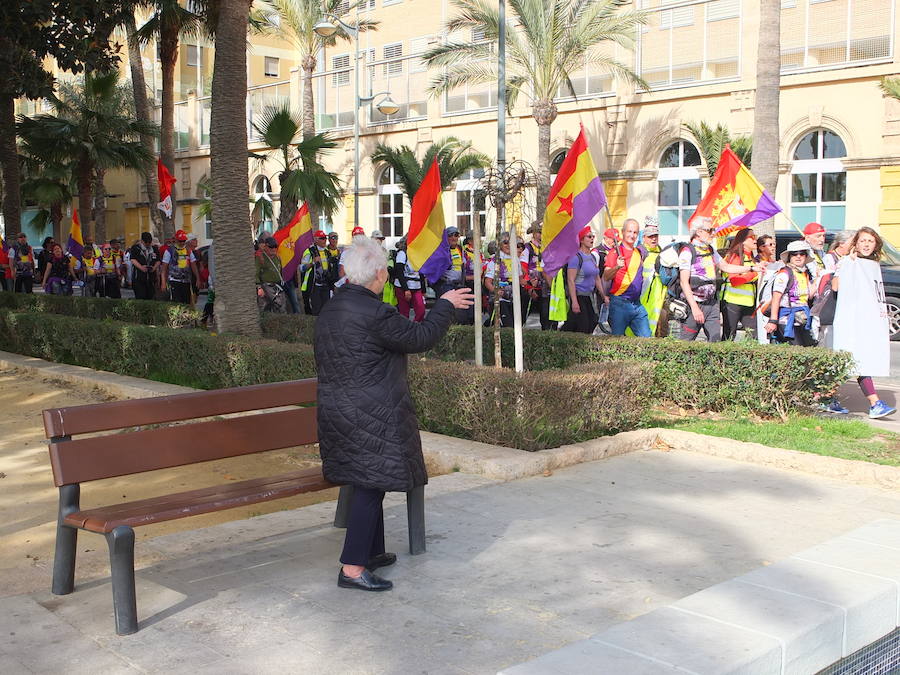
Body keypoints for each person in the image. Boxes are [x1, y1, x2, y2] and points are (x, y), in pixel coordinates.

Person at [314, 236, 473, 592]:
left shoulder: (333, 307)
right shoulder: (375, 313)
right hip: (369, 412)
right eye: (384, 269)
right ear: (379, 276)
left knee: (368, 479)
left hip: (338, 410)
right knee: (371, 484)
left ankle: (371, 552)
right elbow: (420, 337)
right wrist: (445, 305)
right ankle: (353, 568)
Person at [832, 227, 896, 419]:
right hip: (853, 321)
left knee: (856, 362)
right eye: (863, 241)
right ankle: (874, 403)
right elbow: (836, 286)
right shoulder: (849, 262)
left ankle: (825, 397)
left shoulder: (872, 265)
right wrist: (845, 266)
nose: (867, 244)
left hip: (868, 322)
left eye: (871, 241)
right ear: (856, 244)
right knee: (854, 361)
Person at [678, 217, 762, 342]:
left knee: (716, 342)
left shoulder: (710, 249)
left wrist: (752, 268)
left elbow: (726, 266)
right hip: (694, 304)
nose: (713, 233)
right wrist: (695, 308)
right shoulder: (687, 251)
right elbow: (684, 282)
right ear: (699, 232)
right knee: (685, 343)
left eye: (713, 230)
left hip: (712, 303)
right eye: (709, 230)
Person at [603, 218, 650, 337]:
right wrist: (617, 267)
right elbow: (606, 276)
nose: (632, 235)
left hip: (637, 304)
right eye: (629, 231)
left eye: (635, 232)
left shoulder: (638, 253)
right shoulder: (614, 253)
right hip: (620, 304)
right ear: (623, 232)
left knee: (647, 340)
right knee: (617, 343)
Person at [764, 240, 816, 346]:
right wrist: (773, 320)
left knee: (809, 349)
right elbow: (776, 298)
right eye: (794, 254)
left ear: (806, 257)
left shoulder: (804, 273)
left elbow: (809, 295)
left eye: (802, 254)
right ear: (789, 257)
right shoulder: (784, 274)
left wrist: (818, 276)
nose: (798, 257)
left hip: (802, 319)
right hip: (786, 320)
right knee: (797, 351)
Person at [562, 226, 604, 334]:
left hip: (589, 296)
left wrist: (604, 296)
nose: (592, 239)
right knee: (583, 326)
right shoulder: (576, 258)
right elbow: (571, 280)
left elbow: (597, 278)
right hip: (579, 295)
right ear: (581, 240)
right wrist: (574, 302)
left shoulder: (593, 257)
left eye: (593, 237)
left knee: (593, 322)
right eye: (589, 237)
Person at [721, 229, 760, 340]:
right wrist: (754, 273)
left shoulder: (750, 256)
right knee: (728, 336)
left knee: (753, 335)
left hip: (748, 302)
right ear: (742, 240)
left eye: (755, 236)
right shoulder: (735, 256)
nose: (755, 239)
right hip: (732, 302)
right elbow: (734, 280)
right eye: (751, 237)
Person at [484, 235, 526, 327]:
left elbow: (520, 279)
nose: (508, 245)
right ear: (499, 245)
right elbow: (487, 282)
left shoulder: (516, 260)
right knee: (508, 326)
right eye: (505, 243)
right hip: (500, 300)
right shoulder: (495, 261)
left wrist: (530, 283)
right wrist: (496, 291)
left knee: (516, 327)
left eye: (510, 243)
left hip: (514, 299)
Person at [636, 219, 667, 336]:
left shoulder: (662, 252)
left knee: (661, 329)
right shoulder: (639, 252)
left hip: (660, 299)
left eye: (656, 236)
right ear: (644, 237)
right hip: (642, 298)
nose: (654, 239)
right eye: (650, 236)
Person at [523, 221, 555, 330]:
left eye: (543, 232)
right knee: (523, 317)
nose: (541, 235)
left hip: (545, 286)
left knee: (546, 317)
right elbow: (523, 267)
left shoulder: (547, 247)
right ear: (533, 233)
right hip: (532, 286)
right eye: (539, 233)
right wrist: (529, 285)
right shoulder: (527, 248)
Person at [300, 230, 338, 315]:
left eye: (325, 238)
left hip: (325, 285)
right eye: (322, 238)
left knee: (325, 310)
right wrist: (312, 262)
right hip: (314, 286)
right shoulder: (309, 251)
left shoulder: (327, 252)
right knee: (315, 310)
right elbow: (302, 268)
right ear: (316, 240)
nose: (325, 240)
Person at [393, 238, 426, 322]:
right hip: (403, 287)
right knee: (404, 313)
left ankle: (415, 328)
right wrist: (406, 289)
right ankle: (404, 332)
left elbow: (421, 273)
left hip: (416, 286)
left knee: (421, 310)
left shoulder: (418, 254)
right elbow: (399, 272)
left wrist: (423, 290)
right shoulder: (402, 253)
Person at [162, 229, 198, 305]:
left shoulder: (188, 250)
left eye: (184, 241)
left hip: (186, 281)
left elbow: (193, 264)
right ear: (176, 240)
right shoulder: (169, 251)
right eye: (180, 241)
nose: (182, 243)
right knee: (176, 303)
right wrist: (163, 282)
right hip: (174, 280)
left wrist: (198, 278)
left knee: (186, 303)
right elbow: (164, 268)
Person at [256, 236, 286, 312]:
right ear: (265, 247)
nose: (273, 249)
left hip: (277, 287)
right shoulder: (260, 257)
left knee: (281, 308)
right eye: (271, 247)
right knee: (264, 309)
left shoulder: (277, 257)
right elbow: (256, 274)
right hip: (265, 287)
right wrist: (259, 288)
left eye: (275, 247)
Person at [130, 232, 158, 300]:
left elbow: (158, 260)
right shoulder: (135, 248)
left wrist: (154, 268)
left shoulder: (154, 248)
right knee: (141, 296)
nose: (148, 244)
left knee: (151, 296)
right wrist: (141, 267)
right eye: (146, 242)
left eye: (150, 242)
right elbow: (133, 260)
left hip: (151, 277)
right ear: (142, 241)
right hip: (139, 277)